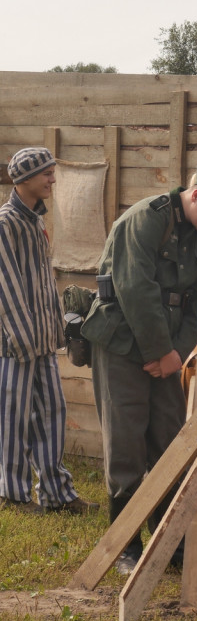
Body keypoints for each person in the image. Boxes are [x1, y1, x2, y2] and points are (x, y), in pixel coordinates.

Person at [82, 167, 197, 574]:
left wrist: (176, 353)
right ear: (196, 194)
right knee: (126, 443)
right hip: (121, 343)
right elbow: (135, 287)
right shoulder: (147, 217)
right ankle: (126, 545)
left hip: (166, 349)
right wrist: (161, 351)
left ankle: (168, 542)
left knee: (169, 439)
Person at [0, 147, 96, 514]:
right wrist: (24, 338)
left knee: (53, 413)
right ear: (24, 178)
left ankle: (57, 494)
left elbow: (44, 282)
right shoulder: (6, 223)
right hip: (15, 344)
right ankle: (12, 494)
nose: (53, 179)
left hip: (42, 341)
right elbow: (6, 286)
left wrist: (56, 332)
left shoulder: (36, 222)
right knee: (13, 419)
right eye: (46, 173)